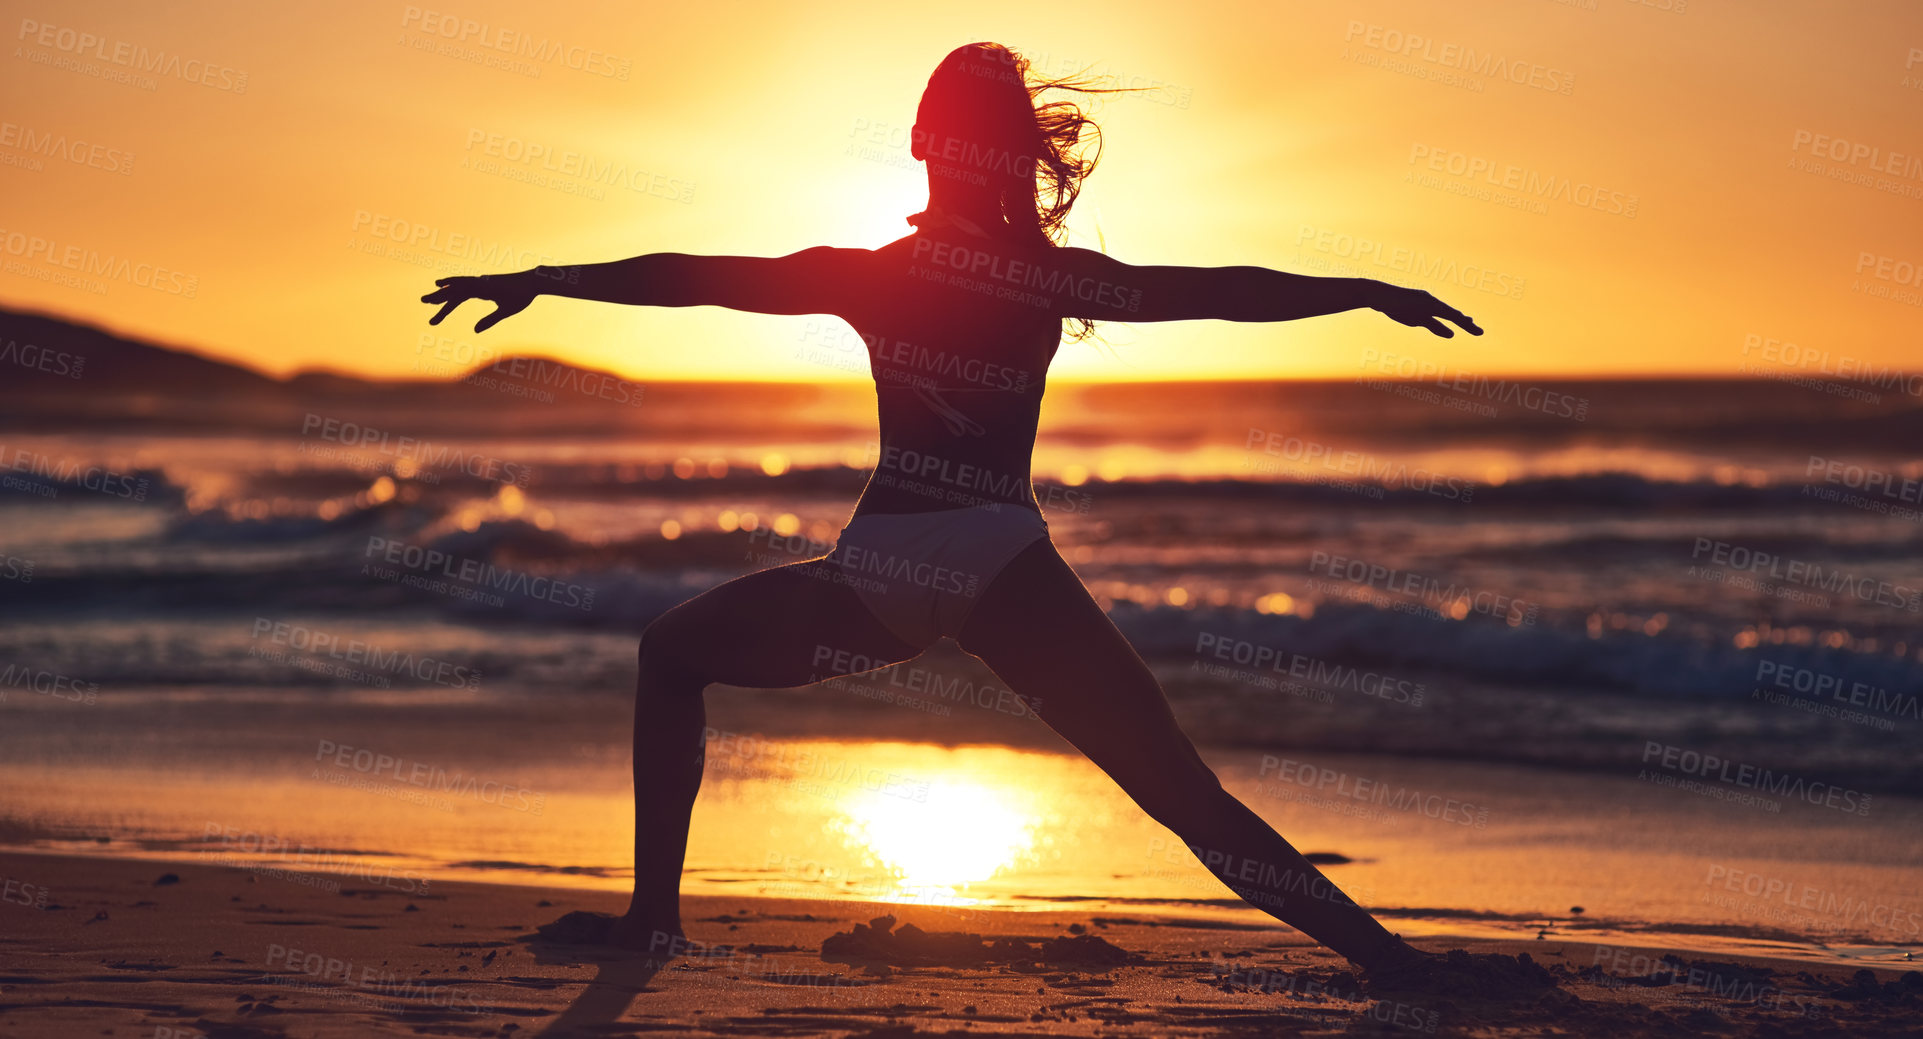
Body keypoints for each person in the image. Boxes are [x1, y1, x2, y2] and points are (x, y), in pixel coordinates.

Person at [421, 42, 1481, 983]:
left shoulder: (879, 276)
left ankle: (654, 922)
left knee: (670, 654)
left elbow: (704, 278)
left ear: (926, 139)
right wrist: (1359, 290)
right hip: (998, 563)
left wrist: (544, 276)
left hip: (877, 571)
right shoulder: (1048, 275)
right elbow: (1214, 288)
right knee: (1179, 792)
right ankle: (1392, 962)